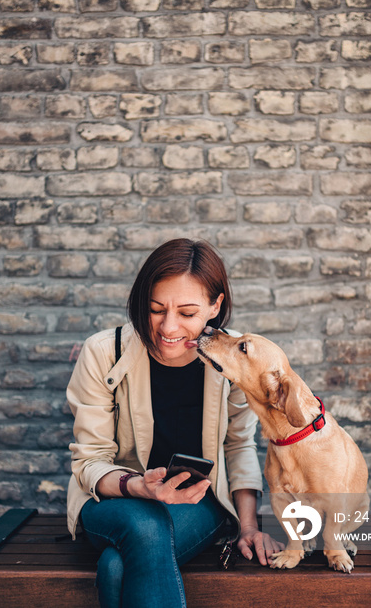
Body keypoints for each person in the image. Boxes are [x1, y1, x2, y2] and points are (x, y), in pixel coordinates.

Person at [67, 238, 284, 607]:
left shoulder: (235, 358)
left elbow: (238, 445)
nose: (168, 327)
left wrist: (249, 527)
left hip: (197, 501)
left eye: (187, 313)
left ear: (215, 306)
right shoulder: (103, 353)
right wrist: (141, 487)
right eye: (155, 309)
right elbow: (90, 461)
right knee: (144, 525)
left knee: (116, 567)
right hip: (112, 499)